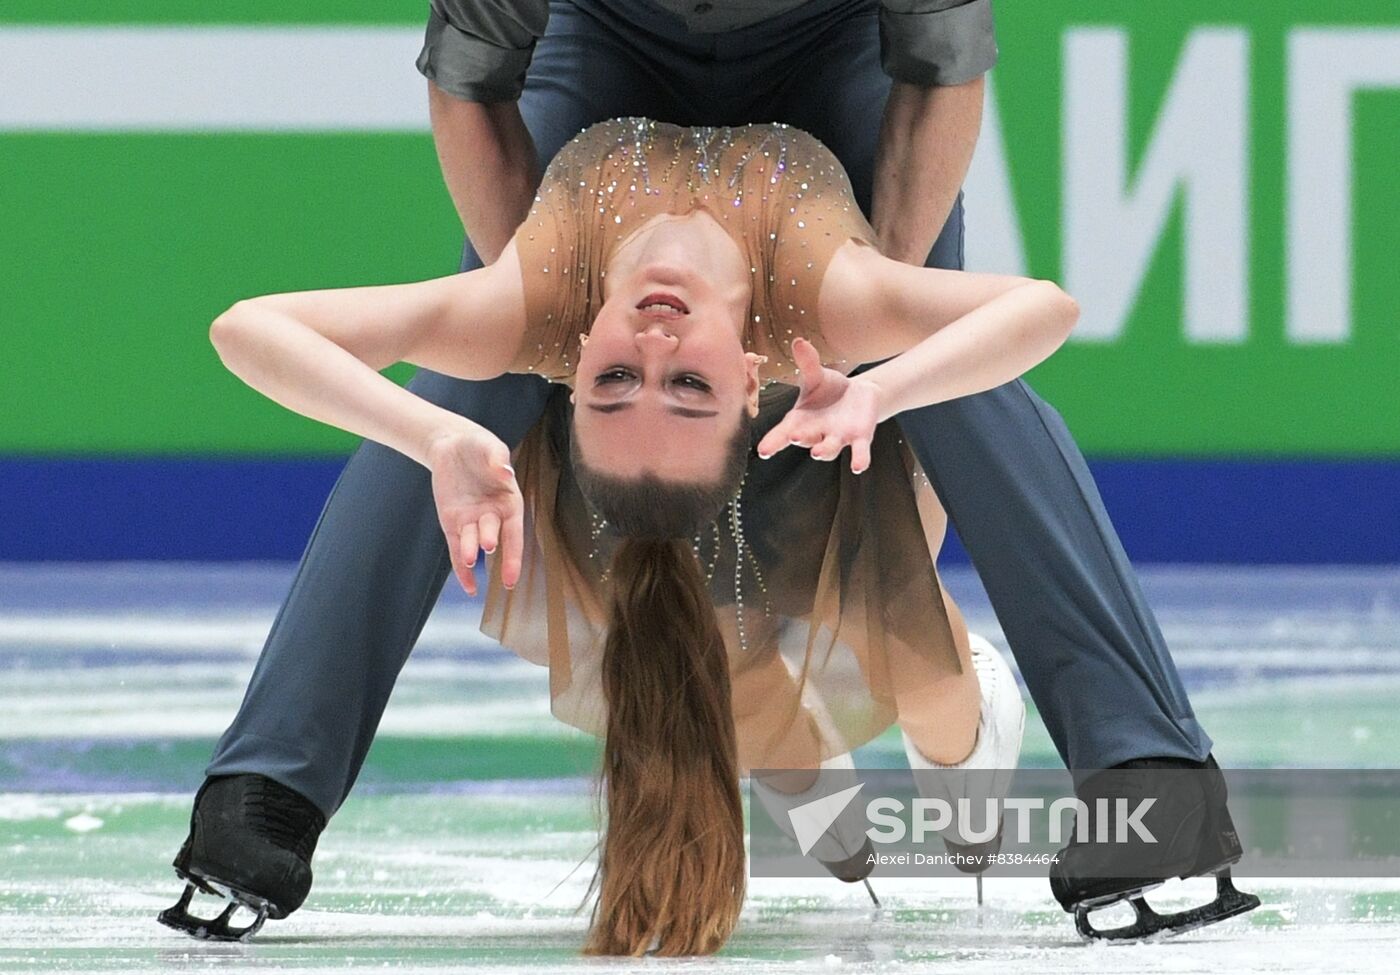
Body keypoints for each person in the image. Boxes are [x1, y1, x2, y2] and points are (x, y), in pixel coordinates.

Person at [164, 0, 1253, 946]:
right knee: (465, 379)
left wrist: (877, 342)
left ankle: (1150, 784)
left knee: (951, 371)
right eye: (656, 384)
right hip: (598, 50)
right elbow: (472, 83)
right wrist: (535, 317)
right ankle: (267, 794)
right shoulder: (580, 303)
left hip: (841, 54)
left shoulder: (815, 289)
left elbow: (939, 63)